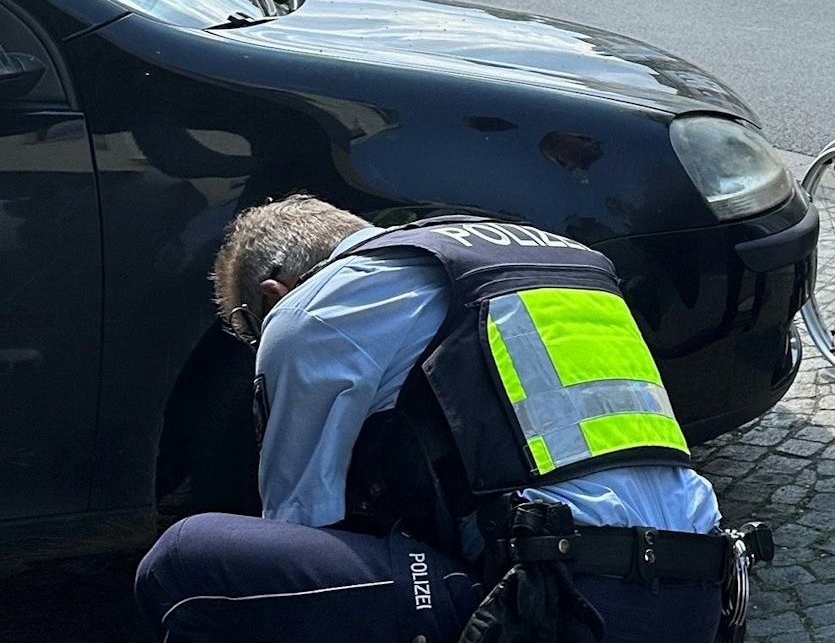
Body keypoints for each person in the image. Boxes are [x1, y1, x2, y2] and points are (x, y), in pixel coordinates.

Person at [134, 196, 755, 643]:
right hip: (699, 598)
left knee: (190, 560)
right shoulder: (559, 261)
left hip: (562, 603)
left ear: (274, 295)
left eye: (254, 333)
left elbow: (299, 522)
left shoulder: (310, 310)